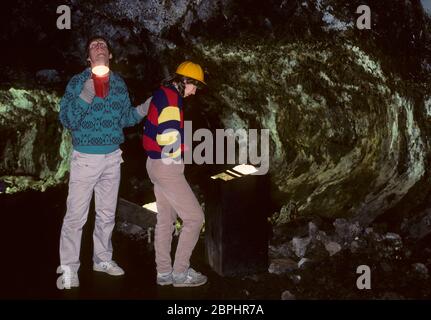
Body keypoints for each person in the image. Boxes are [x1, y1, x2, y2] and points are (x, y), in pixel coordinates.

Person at [57, 36, 150, 289]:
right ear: (89, 57)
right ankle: (68, 268)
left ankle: (102, 259)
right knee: (76, 217)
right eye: (94, 46)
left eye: (104, 46)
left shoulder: (119, 84)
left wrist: (144, 108)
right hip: (85, 158)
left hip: (112, 157)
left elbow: (126, 118)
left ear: (110, 56)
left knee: (107, 214)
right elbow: (67, 119)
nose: (99, 47)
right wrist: (86, 93)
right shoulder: (77, 82)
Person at [143, 61, 207, 287]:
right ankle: (180, 273)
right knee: (195, 218)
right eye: (194, 86)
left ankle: (163, 273)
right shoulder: (171, 99)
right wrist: (183, 147)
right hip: (167, 167)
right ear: (185, 81)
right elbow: (166, 136)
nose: (195, 91)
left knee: (166, 220)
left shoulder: (162, 93)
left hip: (154, 163)